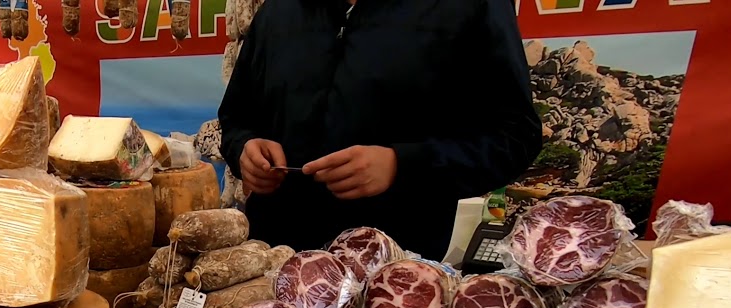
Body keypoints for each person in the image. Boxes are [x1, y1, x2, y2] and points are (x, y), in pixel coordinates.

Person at [218, 0, 542, 260]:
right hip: (276, 268)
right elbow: (236, 117)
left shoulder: (468, 8)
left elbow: (515, 136)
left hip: (393, 284)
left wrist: (402, 164)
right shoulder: (279, 11)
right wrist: (244, 149)